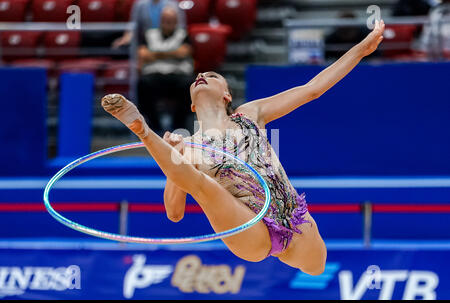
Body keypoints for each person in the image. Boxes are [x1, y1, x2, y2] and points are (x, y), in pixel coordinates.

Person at [101, 20, 385, 274]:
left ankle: (148, 135)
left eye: (211, 76)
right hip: (247, 228)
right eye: (197, 78)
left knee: (317, 268)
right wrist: (176, 156)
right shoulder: (187, 144)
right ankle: (143, 130)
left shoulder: (250, 114)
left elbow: (312, 89)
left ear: (226, 94)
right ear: (191, 103)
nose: (202, 77)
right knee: (202, 185)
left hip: (293, 218)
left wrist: (360, 50)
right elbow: (174, 213)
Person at [136, 5, 194, 134]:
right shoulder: (149, 34)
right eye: (165, 20)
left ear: (176, 21)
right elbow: (143, 55)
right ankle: (154, 126)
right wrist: (172, 53)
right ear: (160, 20)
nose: (168, 23)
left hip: (178, 75)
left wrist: (155, 54)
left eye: (171, 20)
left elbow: (183, 53)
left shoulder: (184, 34)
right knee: (142, 84)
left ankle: (179, 126)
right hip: (154, 75)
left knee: (189, 85)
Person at [112, 0, 185, 49]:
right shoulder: (140, 4)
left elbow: (180, 27)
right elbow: (133, 26)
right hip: (146, 42)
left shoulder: (173, 4)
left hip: (170, 41)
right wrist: (125, 38)